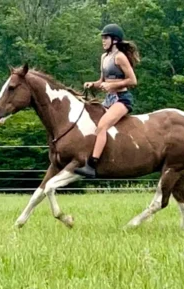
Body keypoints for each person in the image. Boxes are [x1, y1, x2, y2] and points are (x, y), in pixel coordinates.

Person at [74, 23, 140, 178]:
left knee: (102, 126)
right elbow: (102, 80)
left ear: (115, 40)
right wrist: (93, 84)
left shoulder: (120, 57)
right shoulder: (104, 57)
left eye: (106, 38)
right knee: (92, 123)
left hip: (122, 99)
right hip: (109, 99)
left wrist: (112, 85)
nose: (103, 41)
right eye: (103, 38)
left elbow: (132, 81)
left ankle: (92, 165)